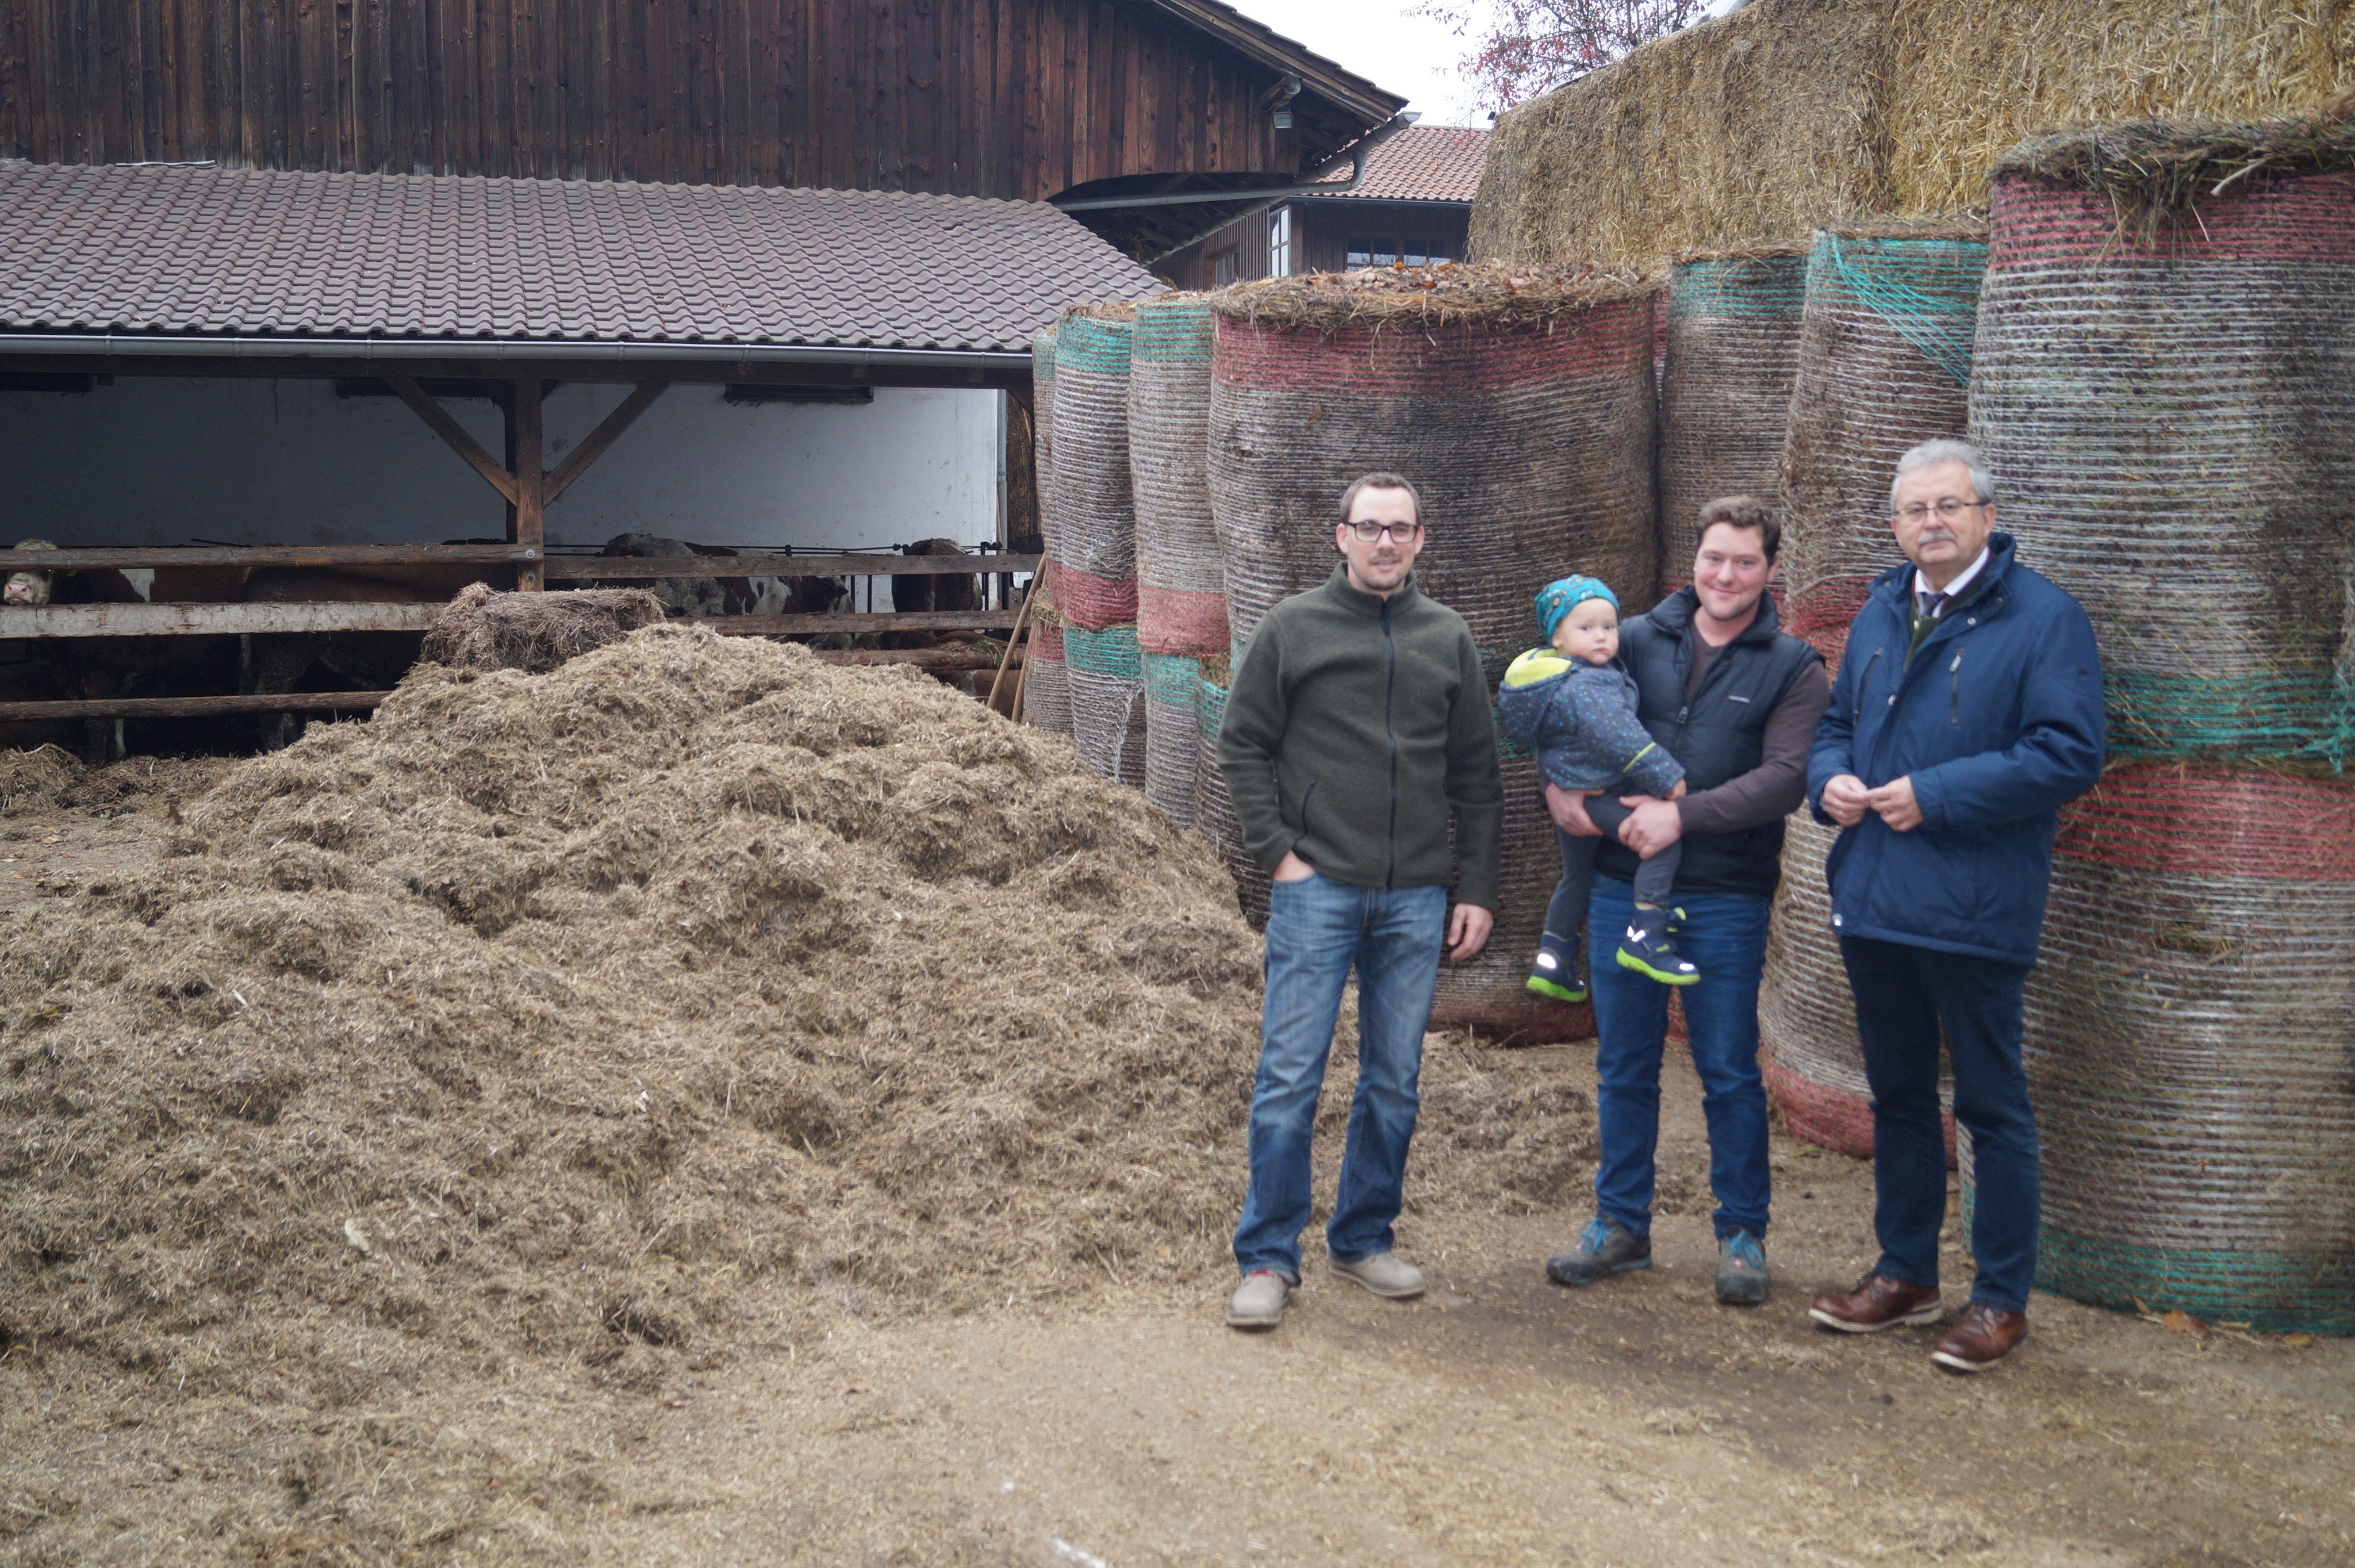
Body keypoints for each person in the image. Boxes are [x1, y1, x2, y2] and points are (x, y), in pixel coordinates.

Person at [1805, 438, 2103, 1373]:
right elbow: (1836, 726)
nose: (1930, 522)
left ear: (1984, 514)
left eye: (1949, 505)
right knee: (1896, 1094)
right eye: (1913, 510)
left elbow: (2067, 753)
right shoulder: (1882, 608)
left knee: (1989, 1102)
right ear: (1895, 526)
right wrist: (1832, 783)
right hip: (1876, 891)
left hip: (1974, 902)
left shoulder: (2043, 618)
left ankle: (2000, 1296)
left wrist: (1934, 791)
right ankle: (1904, 1273)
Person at [1217, 471, 1502, 1332]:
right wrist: (1281, 855)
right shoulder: (1292, 628)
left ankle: (1363, 1234)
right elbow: (1242, 746)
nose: (1386, 542)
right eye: (1370, 526)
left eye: (1401, 528)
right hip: (1319, 891)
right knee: (1290, 1077)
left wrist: (1476, 888)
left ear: (1422, 540)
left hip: (1415, 896)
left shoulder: (1445, 637)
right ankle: (1268, 1254)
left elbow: (1479, 780)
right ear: (1340, 536)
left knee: (1394, 1080)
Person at [1541, 496, 1829, 1307]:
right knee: (1625, 1063)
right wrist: (1560, 789)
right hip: (1618, 886)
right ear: (1692, 562)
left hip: (1724, 897)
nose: (1726, 575)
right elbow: (1565, 710)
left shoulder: (1794, 667)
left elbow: (1784, 779)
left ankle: (1742, 1231)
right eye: (1714, 558)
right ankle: (1620, 1223)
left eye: (1744, 561)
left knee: (1729, 1069)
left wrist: (1681, 813)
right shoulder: (1630, 636)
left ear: (1772, 569)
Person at [1499, 575, 1697, 996]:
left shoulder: (1560, 678)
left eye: (1609, 627)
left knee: (1577, 875)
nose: (1602, 637)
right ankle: (1648, 930)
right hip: (1598, 792)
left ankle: (1552, 961)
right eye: (1586, 629)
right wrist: (1666, 778)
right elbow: (1621, 737)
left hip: (1572, 787)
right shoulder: (1590, 685)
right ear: (1558, 637)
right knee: (1662, 842)